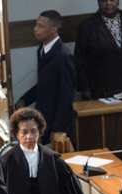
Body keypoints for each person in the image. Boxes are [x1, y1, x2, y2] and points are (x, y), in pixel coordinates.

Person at [15, 10, 75, 146]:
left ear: (53, 29)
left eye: (40, 26)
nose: (35, 29)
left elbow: (66, 95)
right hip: (43, 118)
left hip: (57, 123)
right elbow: (44, 84)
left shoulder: (64, 56)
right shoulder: (41, 50)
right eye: (36, 25)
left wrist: (58, 129)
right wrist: (25, 99)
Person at [74, 0, 122, 99]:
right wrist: (84, 89)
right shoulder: (87, 26)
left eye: (112, 0)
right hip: (102, 90)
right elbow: (80, 60)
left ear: (118, 1)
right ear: (98, 2)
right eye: (104, 0)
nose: (108, 3)